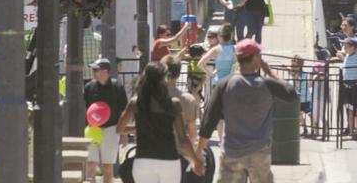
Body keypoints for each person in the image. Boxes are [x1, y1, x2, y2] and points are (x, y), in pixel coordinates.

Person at [197, 39, 299, 180]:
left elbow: (208, 121)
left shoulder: (224, 85)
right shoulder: (267, 84)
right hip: (260, 151)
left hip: (232, 152)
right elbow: (292, 94)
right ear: (256, 58)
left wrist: (198, 154)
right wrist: (270, 73)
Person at [117, 62, 204, 183]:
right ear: (164, 79)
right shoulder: (174, 103)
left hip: (143, 160)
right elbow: (183, 139)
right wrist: (196, 160)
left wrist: (136, 129)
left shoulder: (135, 103)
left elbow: (119, 129)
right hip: (169, 160)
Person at [84, 58, 129, 183]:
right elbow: (87, 109)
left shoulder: (117, 86)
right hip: (93, 129)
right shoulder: (89, 87)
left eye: (96, 70)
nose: (93, 72)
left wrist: (124, 133)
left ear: (105, 71)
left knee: (107, 166)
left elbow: (123, 111)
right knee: (91, 164)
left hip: (111, 129)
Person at [201, 22, 237, 90]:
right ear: (231, 36)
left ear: (219, 36)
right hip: (230, 83)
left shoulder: (216, 49)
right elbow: (237, 64)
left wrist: (211, 74)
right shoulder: (234, 49)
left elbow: (200, 64)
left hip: (218, 82)